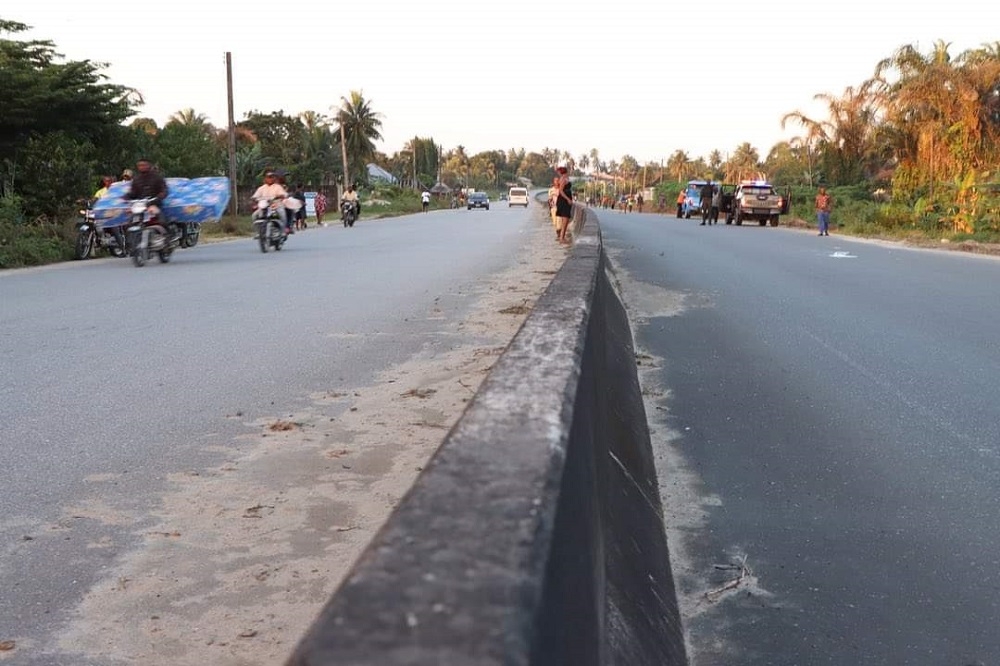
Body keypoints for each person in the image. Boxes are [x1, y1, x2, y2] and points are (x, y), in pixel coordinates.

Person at [554, 166, 573, 245]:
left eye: (558, 171)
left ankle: (562, 237)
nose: (558, 173)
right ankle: (562, 238)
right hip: (563, 200)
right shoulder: (563, 179)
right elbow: (561, 191)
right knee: (565, 219)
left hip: (565, 200)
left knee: (565, 219)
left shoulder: (565, 178)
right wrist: (568, 199)